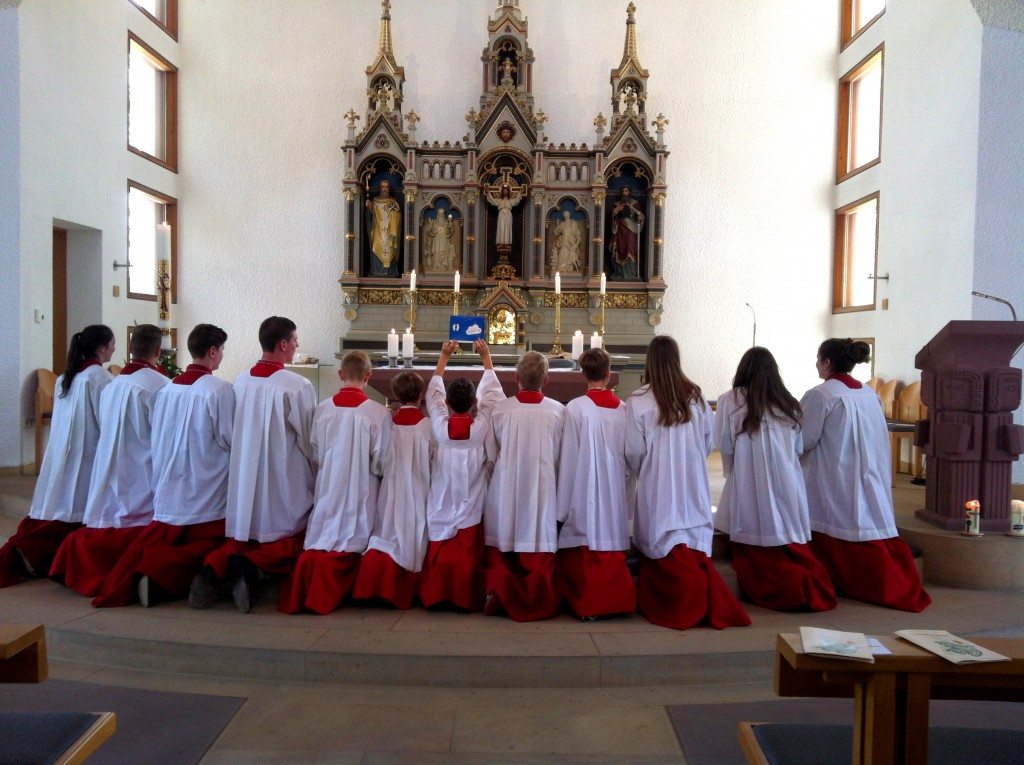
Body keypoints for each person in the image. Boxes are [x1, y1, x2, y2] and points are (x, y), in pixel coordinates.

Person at [91, 324, 233, 607]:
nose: (222, 356)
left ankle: (148, 575)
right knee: (221, 541)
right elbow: (229, 438)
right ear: (213, 351)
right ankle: (159, 577)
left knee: (167, 536)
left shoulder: (168, 389)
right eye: (222, 351)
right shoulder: (218, 389)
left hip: (170, 486)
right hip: (206, 487)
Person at [190, 316, 315, 613]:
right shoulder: (296, 385)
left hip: (247, 473)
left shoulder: (241, 379)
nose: (297, 345)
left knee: (248, 529)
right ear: (283, 344)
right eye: (295, 340)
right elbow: (310, 437)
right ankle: (251, 572)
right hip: (283, 472)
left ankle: (214, 571)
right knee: (292, 532)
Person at [625, 336, 751, 630]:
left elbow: (633, 450)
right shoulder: (695, 396)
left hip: (658, 480)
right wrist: (691, 460)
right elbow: (708, 441)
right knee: (688, 535)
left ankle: (682, 600)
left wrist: (646, 470)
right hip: (692, 478)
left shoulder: (639, 400)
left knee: (665, 536)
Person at [800, 338, 931, 612]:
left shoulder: (820, 395)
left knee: (834, 519)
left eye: (818, 358)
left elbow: (805, 440)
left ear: (826, 362)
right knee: (865, 516)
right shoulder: (867, 393)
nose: (816, 364)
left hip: (833, 475)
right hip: (866, 470)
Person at [50, 324, 169, 598]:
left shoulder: (115, 384)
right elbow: (166, 433)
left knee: (113, 511)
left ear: (131, 349)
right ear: (158, 351)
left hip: (110, 461)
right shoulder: (157, 384)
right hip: (143, 464)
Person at [714, 347, 836, 612]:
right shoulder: (788, 402)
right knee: (785, 529)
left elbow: (723, 443)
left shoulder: (730, 399)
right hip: (787, 480)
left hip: (749, 477)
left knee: (754, 529)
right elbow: (798, 447)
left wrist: (731, 472)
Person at [0, 325, 115, 587]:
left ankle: (38, 559)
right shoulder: (99, 379)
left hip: (62, 454)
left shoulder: (66, 377)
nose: (114, 348)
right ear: (101, 347)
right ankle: (44, 558)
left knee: (59, 508)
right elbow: (107, 421)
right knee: (74, 512)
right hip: (86, 456)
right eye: (112, 343)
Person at [279, 350, 391, 615]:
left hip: (329, 481)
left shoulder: (323, 409)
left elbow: (315, 451)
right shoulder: (377, 413)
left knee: (324, 531)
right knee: (354, 532)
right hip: (362, 484)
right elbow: (381, 461)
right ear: (369, 376)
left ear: (340, 374)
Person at [418, 339, 502, 611]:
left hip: (444, 495)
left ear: (448, 403)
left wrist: (443, 356)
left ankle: (436, 594)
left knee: (442, 540)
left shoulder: (441, 427)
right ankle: (466, 597)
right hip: (471, 500)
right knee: (467, 547)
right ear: (473, 402)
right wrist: (486, 357)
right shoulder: (480, 427)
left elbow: (432, 396)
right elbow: (491, 397)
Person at [483, 350, 565, 621]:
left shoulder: (501, 409)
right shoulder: (558, 411)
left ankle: (503, 597)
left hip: (507, 484)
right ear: (547, 380)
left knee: (507, 534)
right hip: (542, 486)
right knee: (538, 534)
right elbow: (561, 455)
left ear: (515, 377)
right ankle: (539, 599)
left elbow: (491, 453)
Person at [555, 348, 636, 619]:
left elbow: (568, 458)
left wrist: (561, 509)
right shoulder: (624, 409)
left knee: (586, 534)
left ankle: (588, 600)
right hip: (613, 485)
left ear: (582, 374)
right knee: (610, 533)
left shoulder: (576, 408)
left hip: (585, 483)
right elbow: (629, 457)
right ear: (609, 373)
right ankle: (617, 599)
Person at [352, 370, 435, 609]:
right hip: (419, 488)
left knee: (387, 526)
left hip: (391, 486)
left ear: (395, 395)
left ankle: (379, 582)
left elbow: (378, 459)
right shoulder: (427, 427)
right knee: (415, 529)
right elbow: (435, 461)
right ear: (421, 395)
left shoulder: (387, 423)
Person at [367, 180, 401, 277]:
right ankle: (377, 272)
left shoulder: (393, 201)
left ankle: (390, 272)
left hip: (390, 231)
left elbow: (398, 217)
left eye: (386, 187)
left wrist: (394, 214)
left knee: (390, 250)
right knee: (376, 247)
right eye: (383, 187)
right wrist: (369, 209)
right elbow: (369, 218)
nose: (385, 189)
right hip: (378, 230)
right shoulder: (374, 202)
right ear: (380, 188)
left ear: (389, 188)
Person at [608, 186, 643, 281]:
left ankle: (631, 273)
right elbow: (609, 220)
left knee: (631, 249)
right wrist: (615, 212)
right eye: (623, 191)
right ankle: (619, 273)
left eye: (626, 191)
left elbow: (640, 217)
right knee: (618, 250)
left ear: (630, 192)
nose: (625, 193)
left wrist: (639, 218)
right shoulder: (617, 204)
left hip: (631, 230)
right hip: (619, 231)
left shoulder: (635, 204)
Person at [486, 183, 522, 249]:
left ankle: (507, 243)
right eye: (504, 190)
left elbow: (516, 201)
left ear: (508, 191)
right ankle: (501, 242)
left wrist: (519, 193)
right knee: (501, 227)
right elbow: (492, 200)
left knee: (507, 227)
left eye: (506, 190)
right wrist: (488, 192)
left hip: (508, 214)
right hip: (501, 214)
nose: (505, 191)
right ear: (502, 191)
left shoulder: (510, 200)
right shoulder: (499, 200)